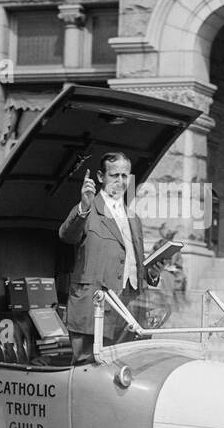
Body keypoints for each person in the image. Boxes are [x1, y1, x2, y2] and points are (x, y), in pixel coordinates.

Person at [59, 152, 156, 359]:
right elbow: (67, 235)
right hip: (94, 310)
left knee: (124, 372)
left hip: (128, 312)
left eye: (124, 176)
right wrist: (83, 207)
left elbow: (132, 262)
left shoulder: (134, 218)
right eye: (115, 175)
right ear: (101, 177)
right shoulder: (89, 209)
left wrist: (152, 272)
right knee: (88, 372)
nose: (120, 181)